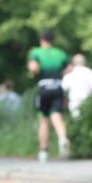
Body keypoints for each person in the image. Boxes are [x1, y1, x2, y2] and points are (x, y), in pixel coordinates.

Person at [28, 30, 70, 162]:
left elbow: (33, 68)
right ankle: (62, 138)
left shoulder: (36, 52)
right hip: (58, 86)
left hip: (44, 87)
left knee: (44, 119)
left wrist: (32, 72)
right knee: (57, 116)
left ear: (41, 39)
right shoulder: (60, 53)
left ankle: (43, 151)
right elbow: (69, 68)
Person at [62, 54, 92, 119]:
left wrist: (64, 101)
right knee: (88, 120)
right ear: (84, 62)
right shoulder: (89, 72)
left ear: (73, 63)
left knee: (77, 120)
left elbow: (63, 90)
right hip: (87, 101)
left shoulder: (69, 73)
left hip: (74, 101)